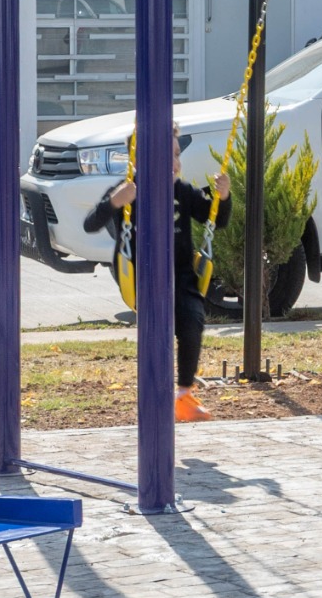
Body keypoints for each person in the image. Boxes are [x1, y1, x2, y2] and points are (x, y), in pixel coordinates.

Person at [85, 132, 231, 424]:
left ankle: (183, 394)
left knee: (192, 322)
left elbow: (215, 218)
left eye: (178, 155)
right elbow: (91, 223)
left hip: (183, 276)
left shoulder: (183, 191)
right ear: (140, 159)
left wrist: (223, 196)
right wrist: (115, 202)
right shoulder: (127, 190)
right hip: (142, 278)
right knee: (157, 334)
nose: (176, 163)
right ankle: (156, 395)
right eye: (170, 156)